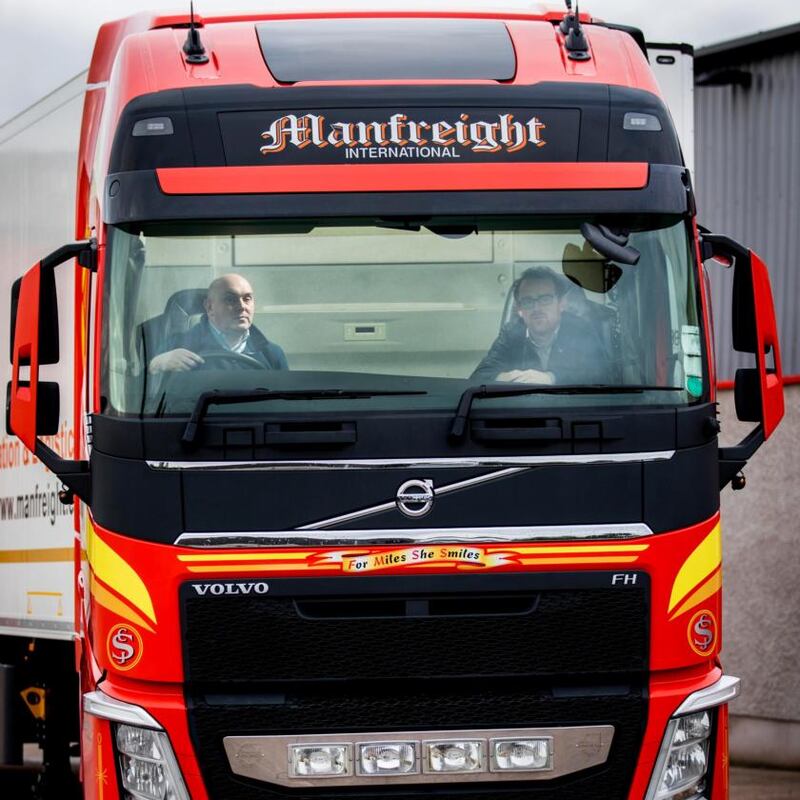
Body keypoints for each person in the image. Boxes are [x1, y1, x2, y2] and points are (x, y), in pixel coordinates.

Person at [471, 265, 609, 385]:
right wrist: (505, 377)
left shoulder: (581, 330)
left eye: (545, 299)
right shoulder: (511, 333)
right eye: (528, 301)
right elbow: (479, 376)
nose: (536, 308)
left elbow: (601, 375)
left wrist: (551, 378)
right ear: (519, 309)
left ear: (561, 304)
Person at [148, 273, 288, 373]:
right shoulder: (176, 347)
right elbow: (144, 397)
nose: (242, 306)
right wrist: (156, 365)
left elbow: (286, 405)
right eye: (230, 299)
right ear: (209, 307)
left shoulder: (272, 354)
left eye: (247, 299)